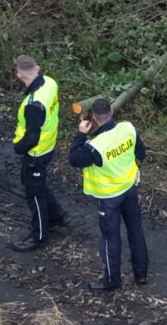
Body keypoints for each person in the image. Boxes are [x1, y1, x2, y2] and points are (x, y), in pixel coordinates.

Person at [69, 97, 149, 290]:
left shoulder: (96, 146)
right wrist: (134, 169)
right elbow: (141, 152)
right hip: (129, 189)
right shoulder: (128, 128)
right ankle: (141, 274)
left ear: (94, 118)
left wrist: (80, 135)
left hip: (109, 198)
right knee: (135, 231)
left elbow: (74, 159)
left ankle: (112, 280)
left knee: (110, 238)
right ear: (112, 112)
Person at [11, 54, 67, 251]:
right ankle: (56, 214)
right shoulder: (50, 83)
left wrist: (19, 148)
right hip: (49, 145)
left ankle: (39, 235)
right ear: (38, 68)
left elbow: (32, 137)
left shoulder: (33, 105)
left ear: (19, 75)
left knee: (34, 192)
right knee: (37, 183)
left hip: (36, 152)